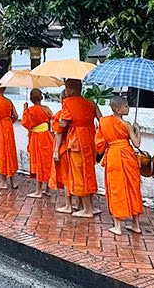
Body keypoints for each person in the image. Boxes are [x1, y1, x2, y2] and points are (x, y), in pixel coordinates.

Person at [95, 96, 143, 235]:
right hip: (128, 156)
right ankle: (136, 224)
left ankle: (118, 226)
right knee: (132, 187)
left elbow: (99, 145)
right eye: (126, 106)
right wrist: (137, 130)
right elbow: (137, 144)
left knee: (116, 188)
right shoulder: (127, 125)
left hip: (113, 156)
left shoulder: (104, 122)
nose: (128, 108)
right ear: (118, 109)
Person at [55, 79, 101, 217]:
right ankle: (90, 206)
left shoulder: (68, 103)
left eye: (67, 88)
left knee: (79, 174)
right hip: (90, 139)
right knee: (89, 171)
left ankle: (87, 210)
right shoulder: (91, 102)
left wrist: (56, 149)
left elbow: (61, 127)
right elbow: (101, 120)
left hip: (77, 141)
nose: (66, 91)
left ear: (72, 90)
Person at [22, 88, 54, 198]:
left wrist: (24, 111)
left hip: (36, 138)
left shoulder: (30, 110)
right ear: (41, 97)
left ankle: (38, 191)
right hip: (47, 136)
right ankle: (47, 189)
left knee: (38, 162)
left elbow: (26, 124)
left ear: (31, 98)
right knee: (47, 161)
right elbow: (53, 121)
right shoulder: (47, 109)